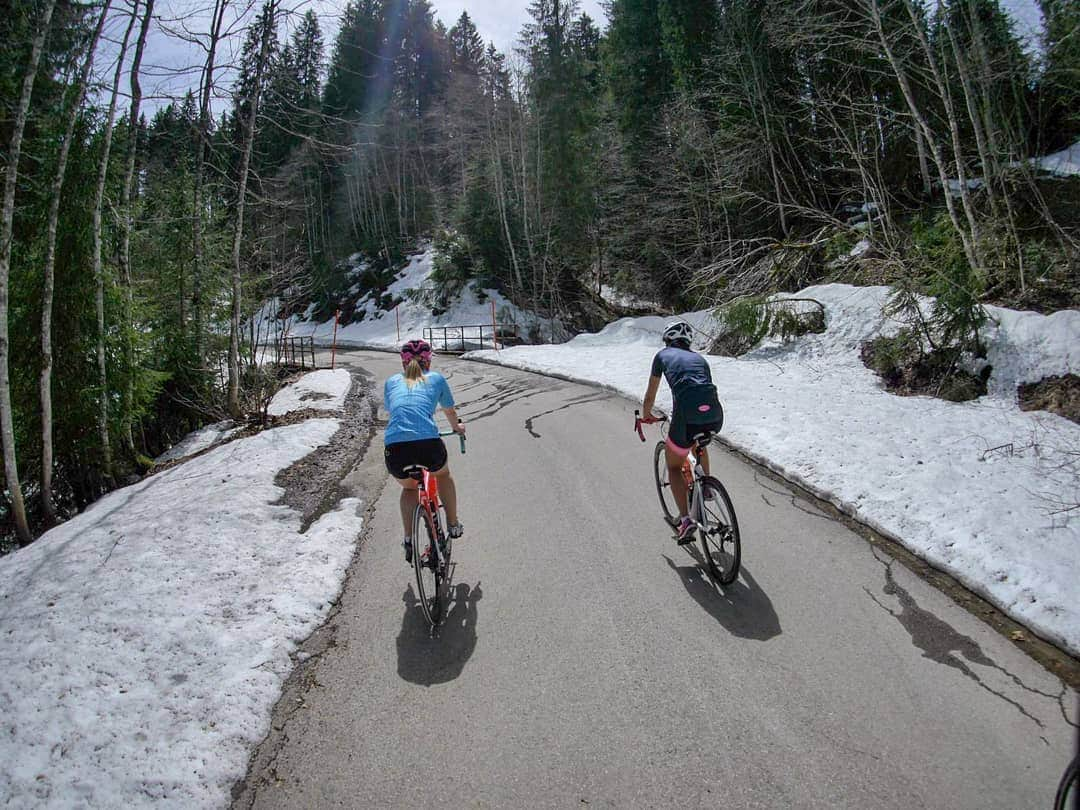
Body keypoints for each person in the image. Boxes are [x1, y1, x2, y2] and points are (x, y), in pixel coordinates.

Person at [384, 339, 467, 564]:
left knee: (410, 489)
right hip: (428, 444)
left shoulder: (391, 381)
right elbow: (449, 411)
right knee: (442, 475)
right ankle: (453, 524)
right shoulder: (436, 379)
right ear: (428, 361)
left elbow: (396, 410)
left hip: (395, 448)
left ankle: (409, 538)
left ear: (403, 363)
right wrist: (457, 428)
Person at [641, 320, 723, 544]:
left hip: (686, 415)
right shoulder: (700, 359)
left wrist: (646, 415)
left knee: (675, 466)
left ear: (668, 339)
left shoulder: (662, 356)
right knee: (699, 444)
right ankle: (705, 487)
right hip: (714, 414)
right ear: (687, 342)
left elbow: (650, 395)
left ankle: (686, 520)